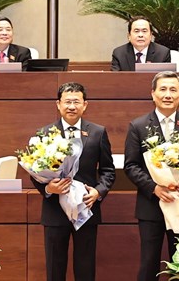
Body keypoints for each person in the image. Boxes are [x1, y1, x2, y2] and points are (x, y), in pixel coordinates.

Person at [124, 71, 179, 280]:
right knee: (149, 263)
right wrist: (155, 188)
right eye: (162, 89)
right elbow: (131, 165)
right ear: (153, 94)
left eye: (173, 90)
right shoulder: (138, 125)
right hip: (151, 206)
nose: (168, 94)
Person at [31, 82, 115, 281]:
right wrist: (48, 188)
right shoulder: (44, 133)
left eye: (76, 102)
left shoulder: (97, 132)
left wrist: (98, 191)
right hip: (54, 211)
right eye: (67, 102)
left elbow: (108, 170)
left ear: (85, 105)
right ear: (58, 104)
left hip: (86, 208)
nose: (71, 106)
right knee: (54, 268)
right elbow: (33, 172)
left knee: (85, 267)